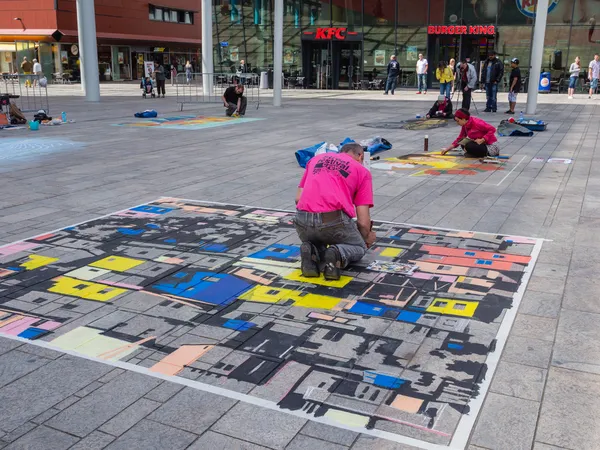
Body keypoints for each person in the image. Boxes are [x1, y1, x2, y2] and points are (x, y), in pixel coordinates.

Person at [294, 142, 376, 281]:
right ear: (360, 156)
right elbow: (362, 221)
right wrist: (366, 236)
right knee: (359, 247)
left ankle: (311, 249)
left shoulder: (315, 160)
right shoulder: (361, 171)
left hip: (302, 219)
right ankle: (337, 254)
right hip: (332, 220)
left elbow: (298, 199)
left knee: (319, 240)